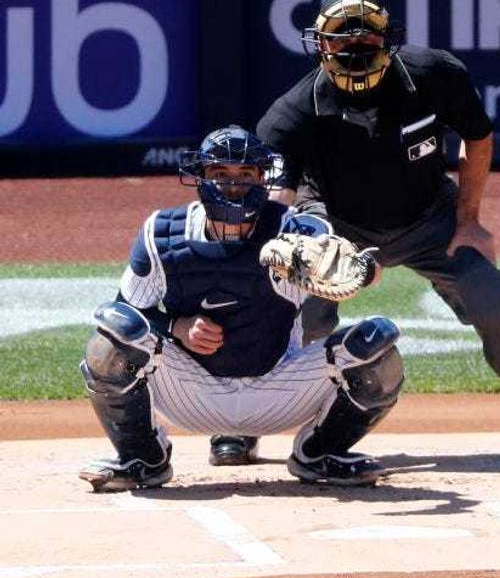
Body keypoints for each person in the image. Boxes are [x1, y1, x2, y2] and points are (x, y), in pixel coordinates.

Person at [256, 0, 500, 464]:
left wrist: (469, 222)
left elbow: (478, 137)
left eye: (365, 44)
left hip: (431, 216)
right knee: (289, 306)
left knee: (493, 298)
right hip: (336, 224)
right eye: (342, 45)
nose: (354, 53)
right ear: (320, 46)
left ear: (389, 43)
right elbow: (277, 198)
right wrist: (283, 254)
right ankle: (245, 421)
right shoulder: (292, 113)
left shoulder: (434, 74)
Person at [78, 126, 403, 491]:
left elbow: (358, 267)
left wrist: (360, 270)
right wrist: (175, 326)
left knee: (377, 346)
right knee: (110, 340)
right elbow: (126, 312)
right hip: (191, 391)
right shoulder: (162, 233)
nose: (234, 185)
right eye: (220, 174)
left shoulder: (293, 230)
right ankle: (142, 458)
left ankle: (320, 452)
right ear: (200, 178)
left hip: (280, 388)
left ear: (263, 179)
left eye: (246, 174)